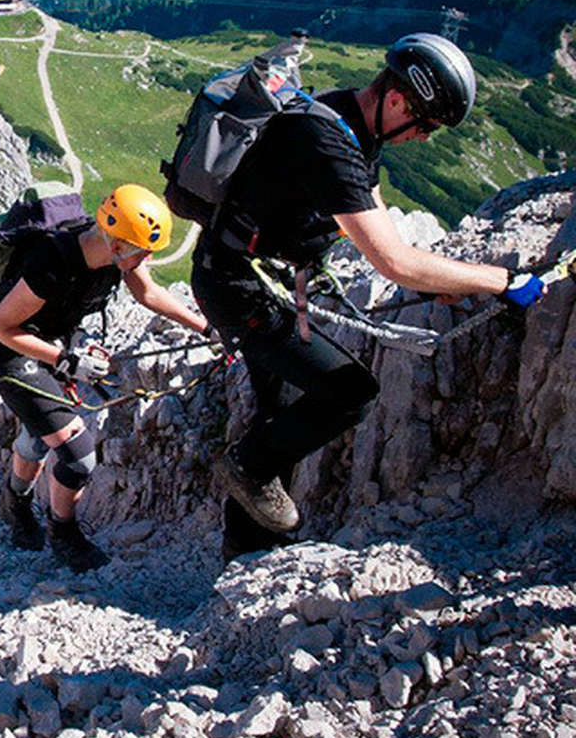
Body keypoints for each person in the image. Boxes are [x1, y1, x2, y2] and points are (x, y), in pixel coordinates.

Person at [193, 33, 549, 559]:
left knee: (283, 408)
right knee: (348, 392)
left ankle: (245, 548)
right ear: (400, 101)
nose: (425, 138)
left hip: (244, 274)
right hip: (240, 287)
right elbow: (393, 262)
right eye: (426, 124)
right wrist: (501, 281)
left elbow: (380, 230)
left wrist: (441, 279)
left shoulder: (349, 120)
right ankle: (247, 478)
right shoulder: (329, 142)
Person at [0, 184, 210, 573]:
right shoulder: (52, 262)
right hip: (10, 354)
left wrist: (206, 328)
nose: (147, 259)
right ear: (118, 244)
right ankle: (63, 532)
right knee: (78, 453)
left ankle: (14, 503)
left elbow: (149, 294)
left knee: (38, 435)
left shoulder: (114, 255)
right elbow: (3, 327)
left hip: (50, 346)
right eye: (143, 251)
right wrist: (66, 360)